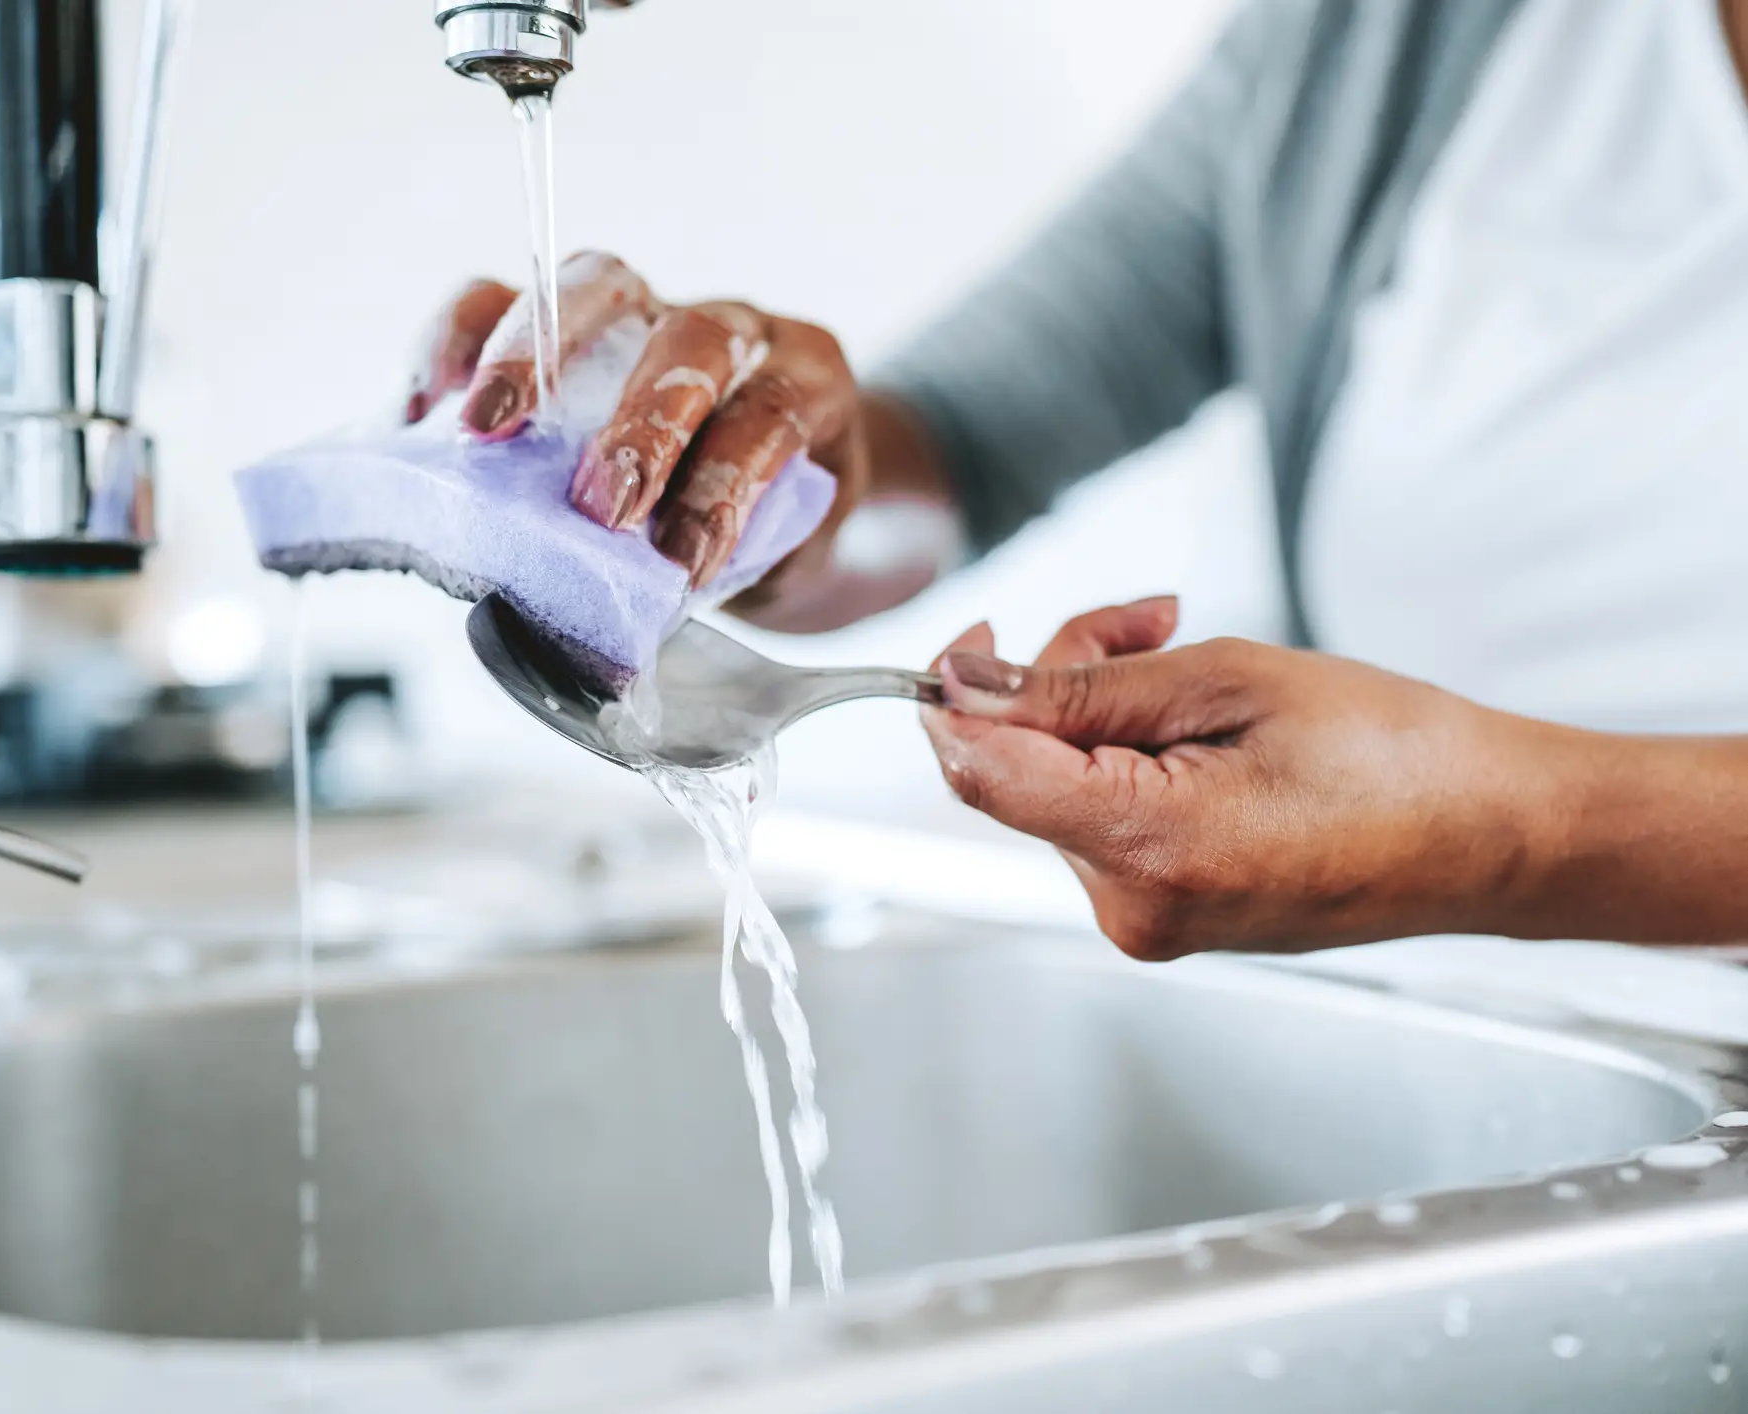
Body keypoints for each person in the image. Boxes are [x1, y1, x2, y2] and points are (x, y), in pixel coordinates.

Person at [404, 0, 1748, 957]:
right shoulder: (1381, 42)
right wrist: (766, 487)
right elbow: (967, 436)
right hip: (1520, 1128)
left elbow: (1502, 829)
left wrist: (1510, 832)